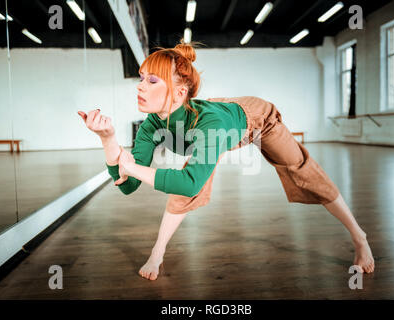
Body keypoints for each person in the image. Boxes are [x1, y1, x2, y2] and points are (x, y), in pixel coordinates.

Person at [78, 39, 375, 281]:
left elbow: (189, 182)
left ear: (179, 92)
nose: (140, 86)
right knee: (184, 189)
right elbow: (127, 186)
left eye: (152, 80)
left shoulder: (212, 125)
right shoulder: (152, 123)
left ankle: (359, 237)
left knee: (303, 171)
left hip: (257, 119)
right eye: (142, 78)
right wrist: (108, 138)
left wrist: (131, 165)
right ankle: (157, 253)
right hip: (210, 124)